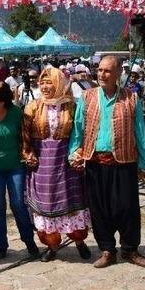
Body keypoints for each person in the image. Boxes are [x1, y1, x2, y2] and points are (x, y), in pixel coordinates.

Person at [69, 55, 145, 269]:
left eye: (107, 71)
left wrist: (144, 162)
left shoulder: (131, 98)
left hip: (124, 161)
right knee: (99, 209)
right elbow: (78, 127)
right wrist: (73, 153)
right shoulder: (87, 97)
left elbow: (140, 132)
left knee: (127, 208)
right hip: (95, 162)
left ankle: (130, 249)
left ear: (118, 73)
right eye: (100, 70)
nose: (102, 74)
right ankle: (107, 250)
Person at [22, 67, 91, 262]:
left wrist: (78, 153)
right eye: (42, 83)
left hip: (67, 164)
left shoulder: (73, 106)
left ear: (60, 84)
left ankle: (79, 241)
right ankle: (52, 246)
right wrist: (28, 154)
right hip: (42, 165)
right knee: (46, 207)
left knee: (72, 204)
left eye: (49, 83)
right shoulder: (32, 107)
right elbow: (25, 136)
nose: (44, 87)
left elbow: (82, 132)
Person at [0, 82, 39, 259]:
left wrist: (29, 153)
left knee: (18, 204)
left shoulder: (16, 113)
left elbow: (26, 137)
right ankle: (1, 245)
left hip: (16, 166)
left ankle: (29, 241)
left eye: (0, 101)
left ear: (6, 100)